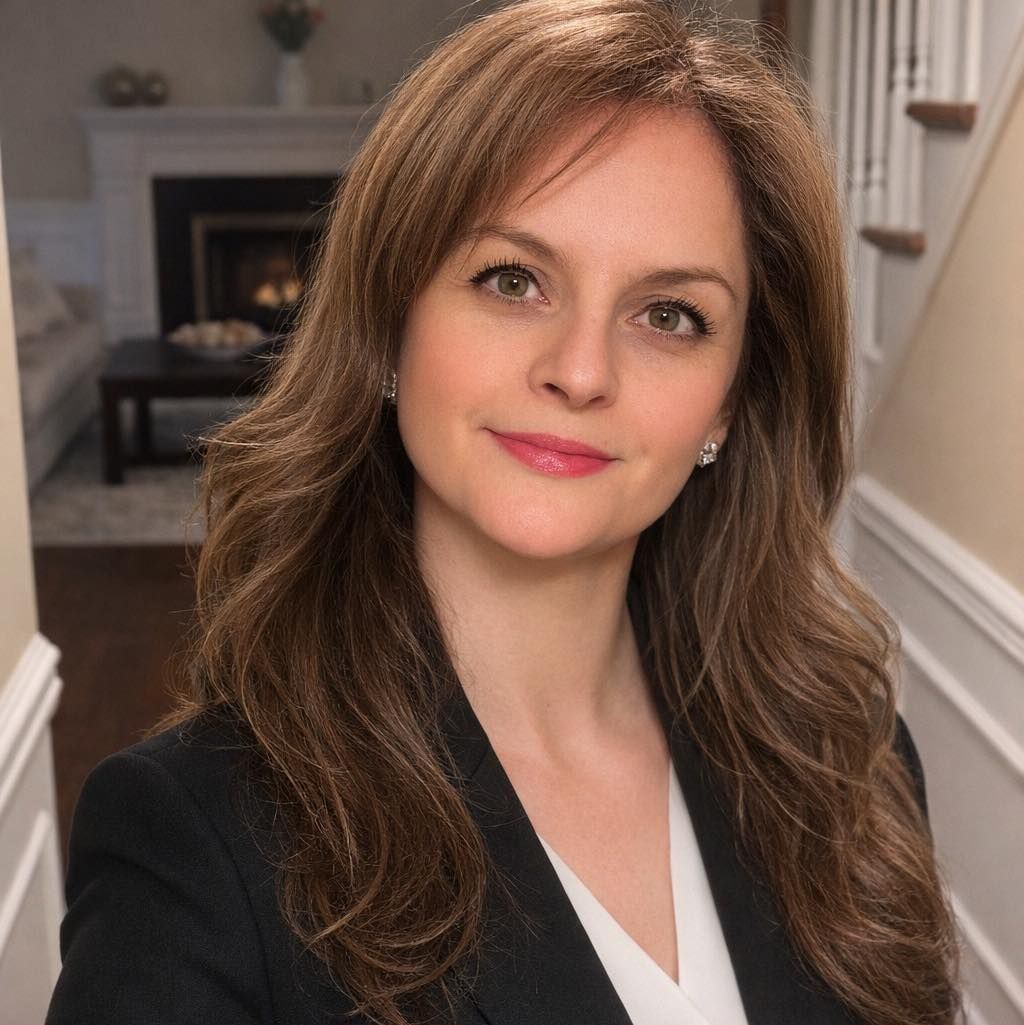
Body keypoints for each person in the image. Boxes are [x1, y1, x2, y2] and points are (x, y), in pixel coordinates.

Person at [46, 2, 963, 1024]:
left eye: (670, 315)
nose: (578, 371)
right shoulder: (193, 841)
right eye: (512, 278)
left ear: (732, 399)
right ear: (388, 326)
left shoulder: (850, 761)